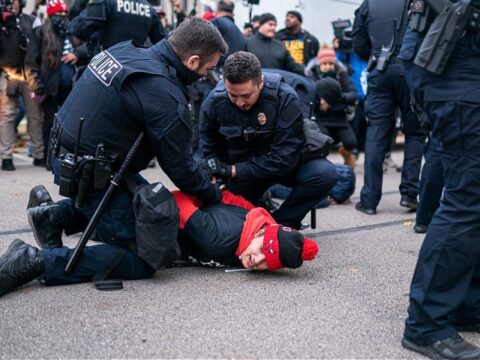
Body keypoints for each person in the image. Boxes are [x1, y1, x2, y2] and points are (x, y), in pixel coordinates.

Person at [9, 18, 228, 294]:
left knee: (142, 199)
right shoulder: (164, 92)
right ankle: (37, 262)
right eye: (207, 69)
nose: (205, 76)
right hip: (93, 176)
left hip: (71, 158)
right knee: (146, 255)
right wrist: (212, 195)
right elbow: (180, 166)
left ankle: (54, 217)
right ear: (193, 61)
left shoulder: (126, 50)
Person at [399, 1, 480, 358]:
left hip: (456, 85)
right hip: (464, 89)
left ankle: (464, 304)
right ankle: (427, 324)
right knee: (467, 205)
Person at [199, 51, 337, 230]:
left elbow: (284, 158)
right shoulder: (214, 102)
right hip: (244, 172)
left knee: (324, 173)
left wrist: (232, 170)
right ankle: (256, 215)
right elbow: (208, 147)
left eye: (246, 95)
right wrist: (214, 172)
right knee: (232, 228)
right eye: (233, 95)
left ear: (261, 83)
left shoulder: (285, 98)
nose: (239, 103)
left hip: (278, 166)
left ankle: (282, 223)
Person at [351, 0, 426, 215]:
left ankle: (369, 200)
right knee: (415, 132)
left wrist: (375, 54)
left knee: (376, 131)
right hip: (410, 69)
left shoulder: (369, 4)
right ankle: (410, 194)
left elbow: (358, 41)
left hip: (379, 68)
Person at [0, 0, 45, 171]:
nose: (11, 4)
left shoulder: (32, 20)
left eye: (14, 1)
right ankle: (6, 157)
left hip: (30, 75)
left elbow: (41, 44)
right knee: (7, 115)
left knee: (35, 116)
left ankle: (39, 155)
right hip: (7, 74)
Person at [38, 0, 79, 164]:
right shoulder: (43, 33)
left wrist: (76, 54)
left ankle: (66, 157)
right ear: (50, 16)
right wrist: (37, 84)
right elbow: (33, 59)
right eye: (58, 14)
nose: (62, 17)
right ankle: (49, 157)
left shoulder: (72, 31)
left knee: (70, 123)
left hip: (70, 84)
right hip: (50, 85)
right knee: (49, 121)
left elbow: (86, 46)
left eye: (64, 14)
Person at [69, 0, 165, 55]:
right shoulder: (149, 8)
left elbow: (78, 28)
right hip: (135, 65)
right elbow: (161, 42)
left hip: (106, 63)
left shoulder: (107, 2)